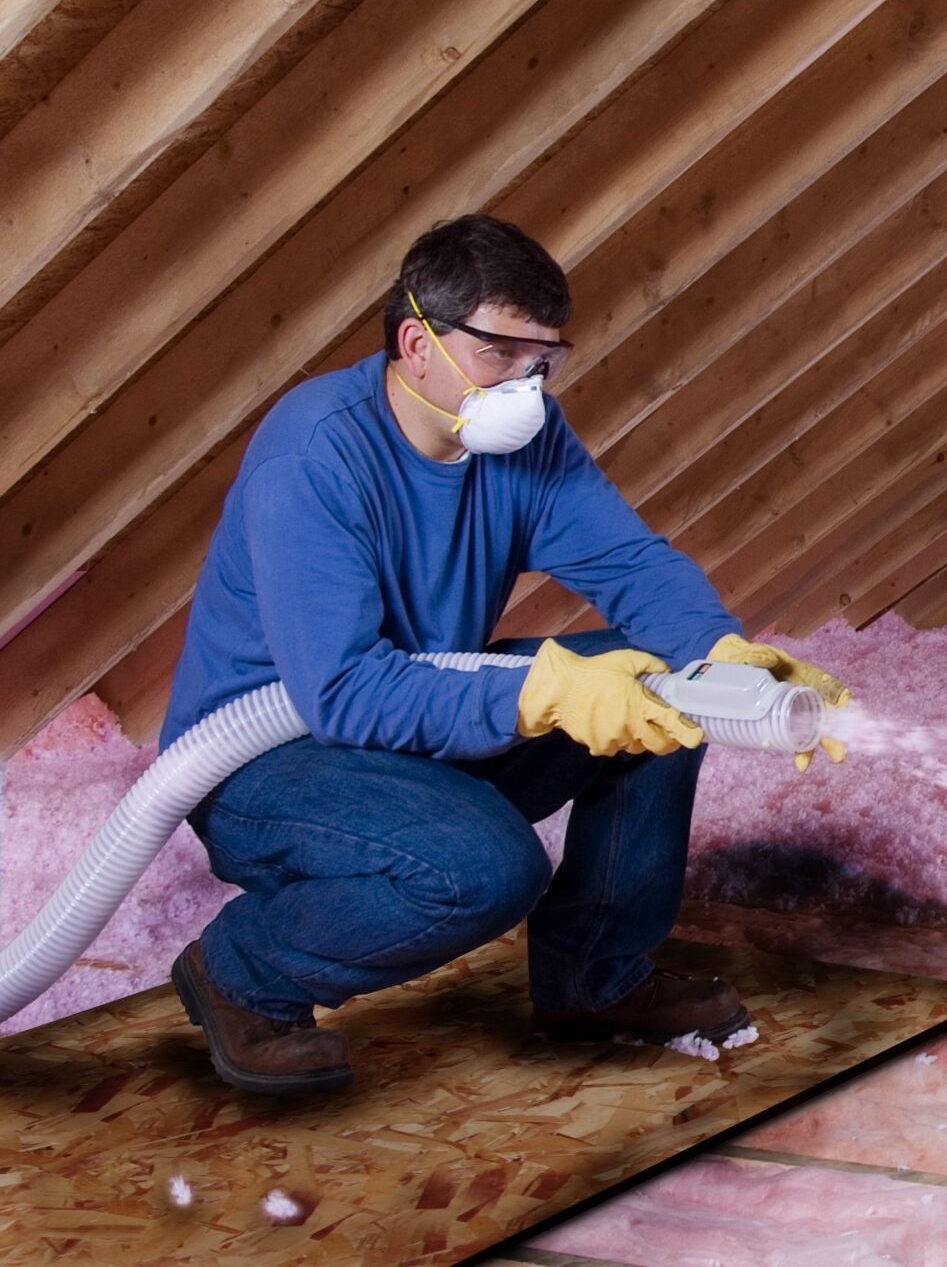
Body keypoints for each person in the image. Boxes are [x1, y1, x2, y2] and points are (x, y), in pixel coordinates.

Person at [158, 214, 845, 1096]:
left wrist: (728, 657)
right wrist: (545, 693)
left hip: (412, 725)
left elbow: (628, 561)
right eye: (500, 354)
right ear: (416, 341)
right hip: (271, 765)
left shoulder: (526, 442)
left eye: (543, 361)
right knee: (484, 870)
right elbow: (339, 693)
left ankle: (596, 980)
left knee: (673, 687)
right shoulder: (315, 456)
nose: (526, 383)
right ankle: (241, 974)